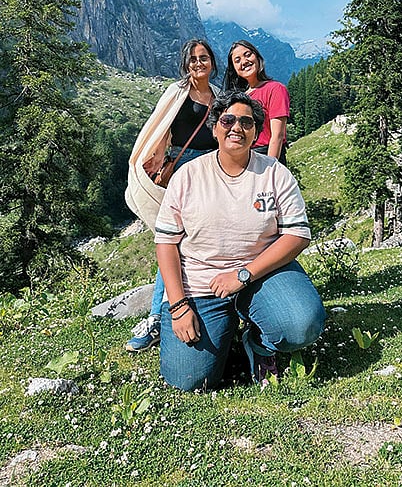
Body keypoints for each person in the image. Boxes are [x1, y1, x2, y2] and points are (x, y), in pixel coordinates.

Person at [154, 90, 326, 390]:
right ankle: (224, 330)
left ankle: (259, 344)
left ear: (256, 132)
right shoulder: (188, 176)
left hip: (262, 274)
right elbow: (166, 243)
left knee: (301, 325)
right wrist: (179, 306)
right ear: (215, 128)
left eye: (247, 123)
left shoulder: (274, 173)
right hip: (201, 283)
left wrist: (243, 275)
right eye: (228, 120)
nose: (237, 128)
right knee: (189, 379)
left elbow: (297, 235)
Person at [124, 39, 220, 352]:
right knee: (173, 240)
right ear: (186, 64)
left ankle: (191, 310)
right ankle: (158, 316)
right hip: (181, 169)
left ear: (212, 61)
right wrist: (152, 160)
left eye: (203, 57)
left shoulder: (219, 96)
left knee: (197, 239)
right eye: (193, 59)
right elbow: (159, 127)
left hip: (212, 170)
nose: (198, 63)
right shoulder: (176, 92)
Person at [223, 39, 290, 164]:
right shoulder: (239, 97)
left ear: (258, 57)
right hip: (241, 157)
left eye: (248, 55)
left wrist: (271, 167)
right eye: (237, 60)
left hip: (266, 155)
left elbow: (277, 136)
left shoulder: (275, 89)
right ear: (234, 69)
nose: (244, 61)